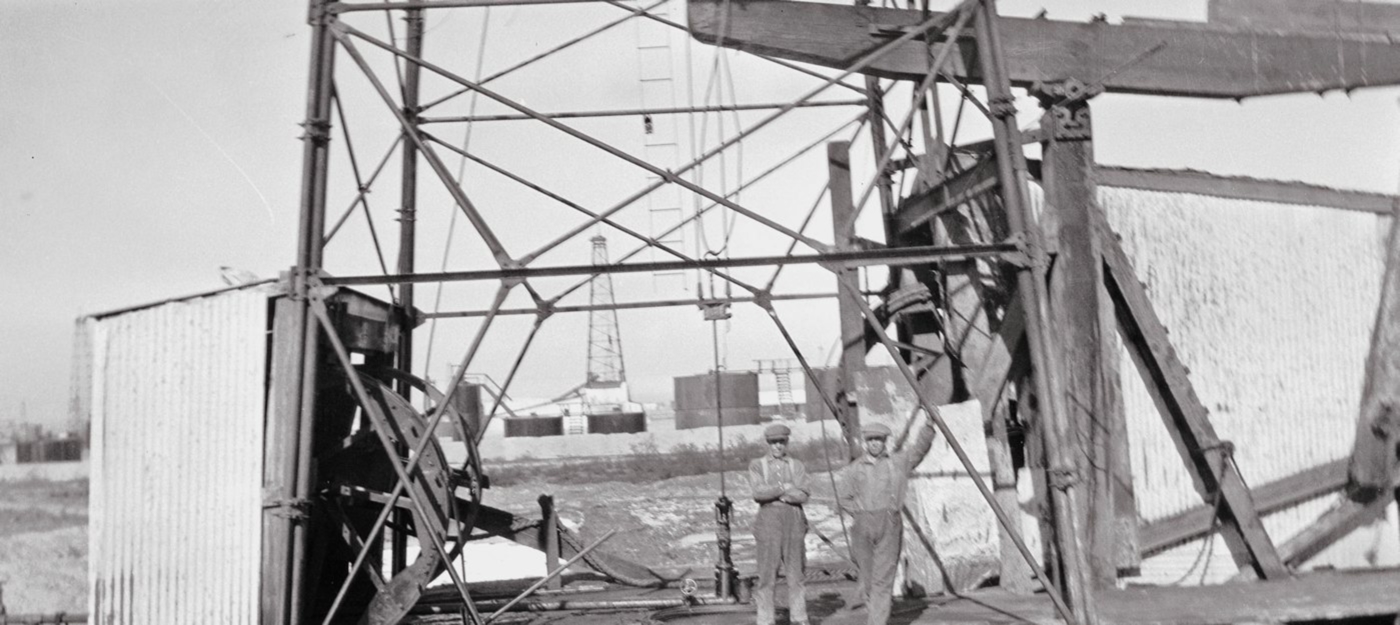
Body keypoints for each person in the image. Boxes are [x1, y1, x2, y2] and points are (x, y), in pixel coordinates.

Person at [837, 415, 937, 625]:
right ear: (866, 442)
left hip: (889, 524)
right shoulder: (854, 468)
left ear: (885, 442)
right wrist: (859, 512)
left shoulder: (898, 463)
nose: (875, 443)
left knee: (883, 579)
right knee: (868, 578)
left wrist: (929, 427)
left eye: (879, 440)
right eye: (871, 439)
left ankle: (877, 621)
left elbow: (919, 450)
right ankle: (875, 614)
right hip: (862, 527)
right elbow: (843, 498)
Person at [749, 423, 810, 625]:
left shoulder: (797, 465)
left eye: (781, 442)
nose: (778, 447)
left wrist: (775, 493)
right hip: (768, 524)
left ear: (787, 442)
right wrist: (784, 488)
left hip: (794, 522)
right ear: (768, 444)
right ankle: (765, 620)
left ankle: (800, 618)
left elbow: (802, 495)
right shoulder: (758, 465)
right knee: (767, 577)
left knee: (796, 576)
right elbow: (758, 493)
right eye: (774, 443)